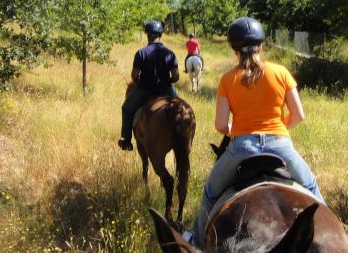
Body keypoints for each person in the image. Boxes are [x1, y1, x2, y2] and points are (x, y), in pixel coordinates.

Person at [190, 16, 325, 248]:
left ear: (234, 49)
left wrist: (239, 131)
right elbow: (298, 115)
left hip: (241, 148)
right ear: (262, 46)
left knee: (210, 194)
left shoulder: (227, 79)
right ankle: (328, 230)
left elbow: (221, 125)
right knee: (312, 187)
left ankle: (198, 242)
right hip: (281, 145)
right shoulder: (281, 72)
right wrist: (279, 129)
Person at [117, 20, 179, 151]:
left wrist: (140, 81)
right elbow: (176, 76)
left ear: (147, 35)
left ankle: (127, 141)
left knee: (127, 108)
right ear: (160, 35)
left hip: (145, 89)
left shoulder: (141, 53)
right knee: (181, 107)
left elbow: (134, 76)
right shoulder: (170, 54)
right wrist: (167, 80)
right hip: (166, 89)